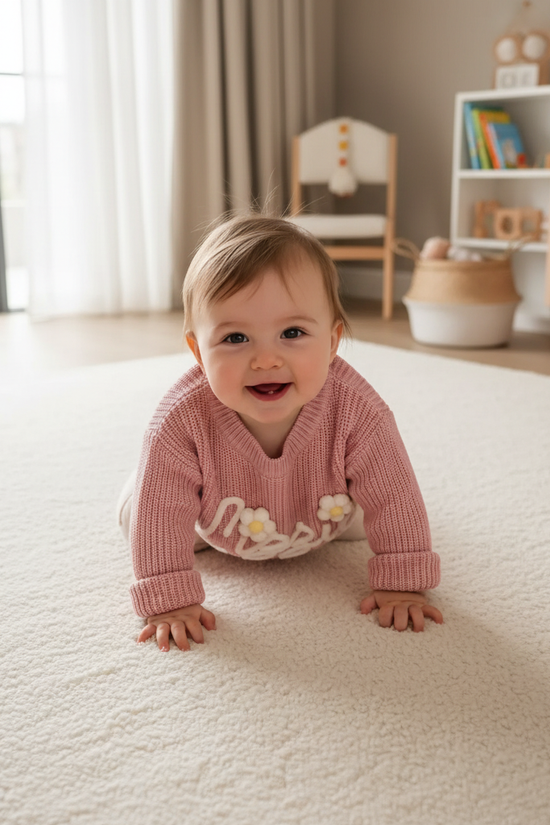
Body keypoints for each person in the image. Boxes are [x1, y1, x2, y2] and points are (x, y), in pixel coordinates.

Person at [117, 214, 443, 652]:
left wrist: (404, 581)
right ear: (198, 351)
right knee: (144, 517)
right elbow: (161, 516)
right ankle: (140, 487)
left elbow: (394, 492)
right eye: (235, 338)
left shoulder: (358, 410)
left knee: (378, 514)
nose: (266, 359)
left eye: (292, 332)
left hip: (323, 513)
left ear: (331, 342)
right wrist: (168, 600)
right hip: (214, 520)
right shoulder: (179, 422)